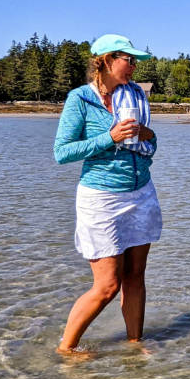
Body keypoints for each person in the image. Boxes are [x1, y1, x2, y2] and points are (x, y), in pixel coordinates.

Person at [53, 34, 161, 352]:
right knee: (107, 286)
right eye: (128, 60)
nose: (134, 66)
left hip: (141, 194)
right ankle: (66, 349)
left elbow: (150, 146)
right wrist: (109, 137)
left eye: (135, 61)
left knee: (135, 277)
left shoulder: (137, 97)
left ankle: (134, 345)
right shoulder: (80, 100)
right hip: (102, 198)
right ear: (106, 60)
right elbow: (62, 152)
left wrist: (148, 134)